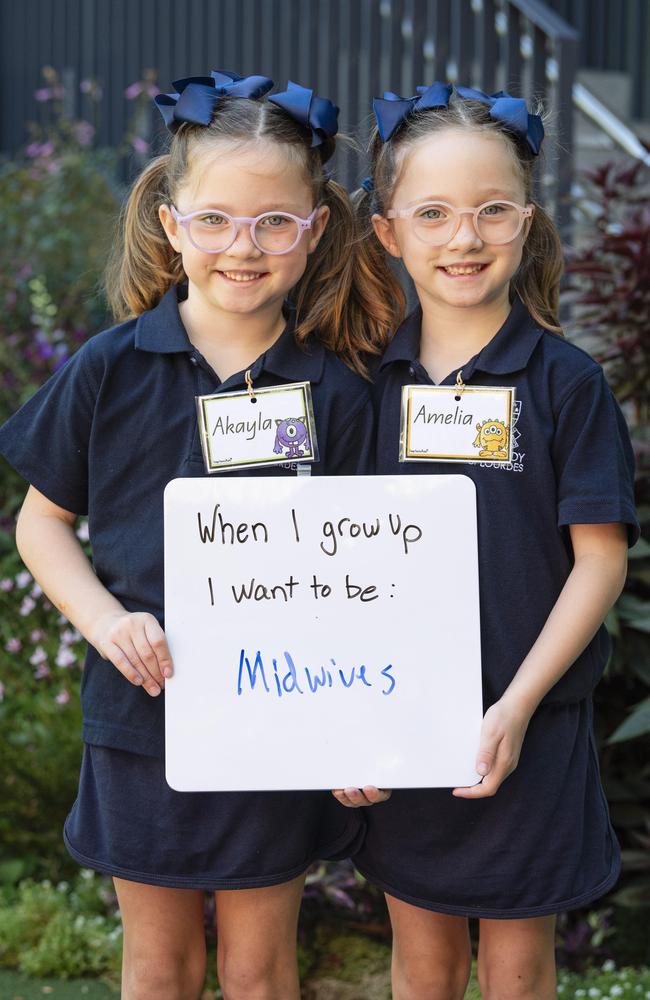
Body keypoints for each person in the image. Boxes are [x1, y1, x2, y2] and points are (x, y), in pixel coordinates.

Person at [0, 71, 395, 1000]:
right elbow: (41, 522)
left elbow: (366, 573)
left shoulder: (336, 390)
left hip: (280, 719)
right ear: (172, 224)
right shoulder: (109, 367)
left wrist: (351, 723)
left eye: (273, 222)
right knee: (159, 968)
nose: (243, 248)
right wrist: (105, 622)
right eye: (215, 220)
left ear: (316, 228)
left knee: (260, 973)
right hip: (144, 720)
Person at [342, 83, 639, 1000]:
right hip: (403, 732)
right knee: (421, 963)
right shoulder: (363, 381)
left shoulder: (566, 382)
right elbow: (326, 562)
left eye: (490, 211)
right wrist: (338, 721)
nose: (463, 238)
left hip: (527, 729)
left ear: (527, 219)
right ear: (388, 233)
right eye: (432, 214)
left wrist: (512, 709)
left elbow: (600, 558)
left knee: (517, 969)